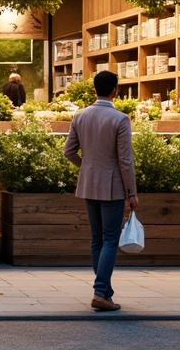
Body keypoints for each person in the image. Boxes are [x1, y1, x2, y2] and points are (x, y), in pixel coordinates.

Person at [63, 70, 139, 313]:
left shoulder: (80, 116)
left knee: (97, 240)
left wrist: (86, 167)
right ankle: (99, 292)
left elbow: (69, 152)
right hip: (112, 186)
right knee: (109, 240)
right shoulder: (120, 119)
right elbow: (125, 161)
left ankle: (104, 291)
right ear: (115, 90)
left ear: (94, 89)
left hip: (88, 184)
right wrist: (132, 192)